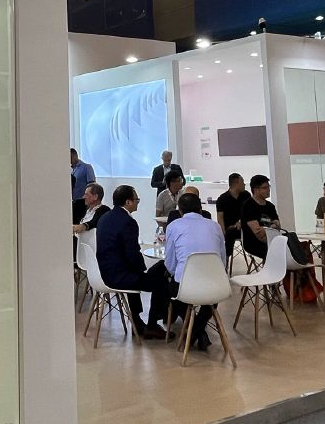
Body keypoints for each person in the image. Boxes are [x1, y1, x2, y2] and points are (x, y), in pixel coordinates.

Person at [93, 185, 170, 339]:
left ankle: (137, 320)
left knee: (140, 272)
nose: (138, 203)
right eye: (137, 200)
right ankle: (153, 324)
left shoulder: (105, 217)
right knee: (162, 274)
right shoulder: (128, 222)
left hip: (103, 273)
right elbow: (132, 254)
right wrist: (142, 270)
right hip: (119, 277)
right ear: (128, 202)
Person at [163, 193, 227, 351]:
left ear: (180, 210)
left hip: (186, 286)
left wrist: (178, 272)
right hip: (216, 285)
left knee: (172, 291)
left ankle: (193, 332)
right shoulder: (215, 226)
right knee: (211, 301)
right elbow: (222, 260)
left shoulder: (174, 226)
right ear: (200, 208)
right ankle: (198, 332)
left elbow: (170, 264)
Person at [240, 174, 280, 261]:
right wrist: (272, 227)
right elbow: (259, 233)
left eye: (268, 187)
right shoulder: (248, 206)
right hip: (253, 243)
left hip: (272, 240)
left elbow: (278, 225)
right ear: (256, 189)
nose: (268, 190)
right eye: (265, 188)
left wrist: (266, 229)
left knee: (292, 246)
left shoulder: (270, 206)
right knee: (278, 252)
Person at [215, 173, 249, 260]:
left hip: (244, 227)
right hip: (230, 229)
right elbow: (220, 217)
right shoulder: (222, 199)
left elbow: (250, 212)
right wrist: (223, 232)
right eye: (242, 182)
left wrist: (240, 222)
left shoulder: (246, 196)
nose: (244, 184)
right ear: (235, 184)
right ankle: (225, 257)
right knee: (229, 232)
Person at [69, 148, 96, 223]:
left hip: (82, 201)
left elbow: (92, 185)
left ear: (75, 155)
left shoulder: (86, 167)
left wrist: (90, 202)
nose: (69, 160)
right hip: (73, 202)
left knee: (80, 221)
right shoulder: (70, 169)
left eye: (70, 157)